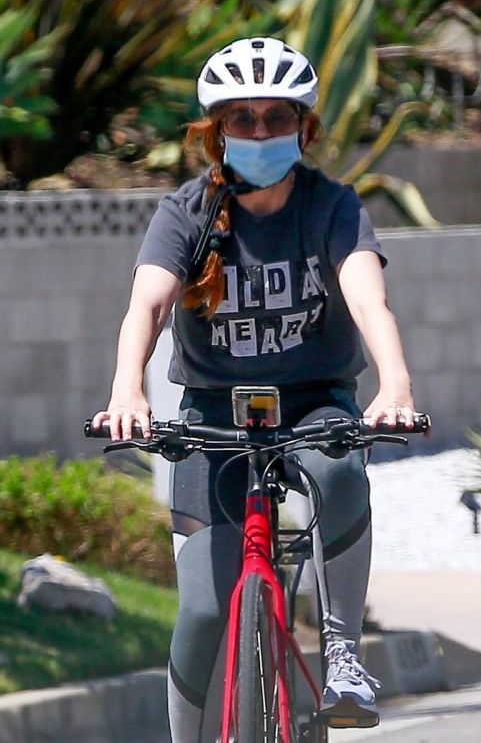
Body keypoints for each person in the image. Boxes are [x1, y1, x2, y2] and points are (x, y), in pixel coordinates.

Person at [93, 36, 418, 741]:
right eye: (243, 118)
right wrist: (128, 393)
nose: (262, 131)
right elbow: (146, 307)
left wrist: (394, 383)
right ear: (216, 132)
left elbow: (369, 301)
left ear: (305, 127)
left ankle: (342, 657)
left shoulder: (332, 205)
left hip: (315, 404)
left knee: (340, 470)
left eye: (279, 117)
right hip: (212, 416)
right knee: (205, 613)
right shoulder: (187, 211)